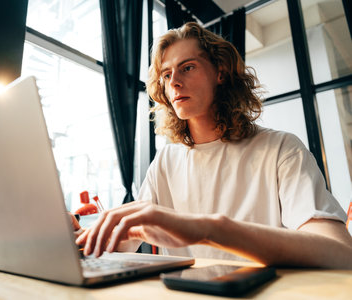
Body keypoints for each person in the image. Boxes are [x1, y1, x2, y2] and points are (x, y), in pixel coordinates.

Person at [75, 22, 352, 268]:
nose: (175, 82)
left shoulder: (280, 148)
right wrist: (69, 238)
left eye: (188, 67)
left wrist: (210, 229)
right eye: (167, 74)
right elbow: (120, 244)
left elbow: (341, 253)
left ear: (220, 72)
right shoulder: (165, 161)